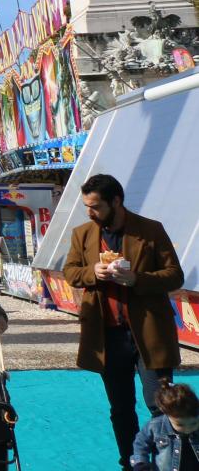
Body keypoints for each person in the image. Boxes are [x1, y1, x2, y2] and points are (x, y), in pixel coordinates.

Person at [63, 173, 185, 471]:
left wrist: (136, 279)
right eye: (87, 206)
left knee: (161, 405)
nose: (89, 212)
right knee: (121, 408)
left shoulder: (150, 230)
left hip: (149, 333)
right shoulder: (82, 234)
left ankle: (168, 463)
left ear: (116, 201)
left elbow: (175, 275)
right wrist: (92, 272)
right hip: (108, 336)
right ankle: (131, 464)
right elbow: (70, 272)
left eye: (95, 206)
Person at [131, 382, 199, 471]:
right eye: (180, 425)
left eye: (194, 423)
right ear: (167, 414)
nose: (188, 429)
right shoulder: (155, 426)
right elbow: (140, 445)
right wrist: (141, 464)